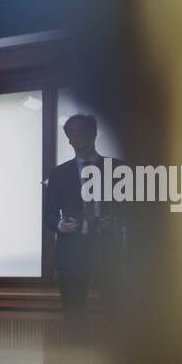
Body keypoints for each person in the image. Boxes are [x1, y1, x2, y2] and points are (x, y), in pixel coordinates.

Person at [43, 113, 123, 343]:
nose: (76, 137)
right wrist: (60, 225)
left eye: (81, 132)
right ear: (68, 139)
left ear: (93, 133)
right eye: (71, 134)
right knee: (74, 315)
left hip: (107, 251)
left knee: (116, 311)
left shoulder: (117, 169)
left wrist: (115, 221)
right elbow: (49, 214)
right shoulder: (59, 173)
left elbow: (133, 209)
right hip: (70, 254)